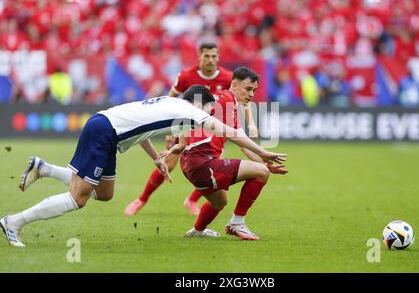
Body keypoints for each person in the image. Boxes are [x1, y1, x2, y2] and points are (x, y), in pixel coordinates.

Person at [1, 85, 285, 247]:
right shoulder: (188, 110)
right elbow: (230, 132)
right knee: (80, 198)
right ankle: (14, 222)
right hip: (104, 132)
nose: (208, 115)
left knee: (105, 193)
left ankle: (44, 168)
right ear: (202, 104)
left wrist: (158, 160)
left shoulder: (168, 103)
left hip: (106, 128)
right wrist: (263, 152)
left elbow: (140, 133)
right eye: (209, 110)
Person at [124, 43, 259, 216]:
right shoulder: (186, 75)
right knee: (169, 162)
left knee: (216, 162)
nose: (211, 60)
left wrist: (251, 123)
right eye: (207, 56)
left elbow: (242, 99)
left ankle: (192, 200)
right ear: (199, 57)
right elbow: (171, 98)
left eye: (214, 56)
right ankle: (141, 199)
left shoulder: (227, 78)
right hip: (186, 127)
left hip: (212, 130)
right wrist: (173, 129)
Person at [163, 67, 288, 240]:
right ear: (235, 85)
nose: (251, 94)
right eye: (248, 89)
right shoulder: (227, 101)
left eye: (254, 90)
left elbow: (242, 142)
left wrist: (265, 162)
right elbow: (238, 138)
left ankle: (197, 231)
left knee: (219, 201)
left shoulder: (224, 101)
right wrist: (264, 158)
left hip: (190, 164)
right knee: (261, 173)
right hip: (202, 164)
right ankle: (237, 223)